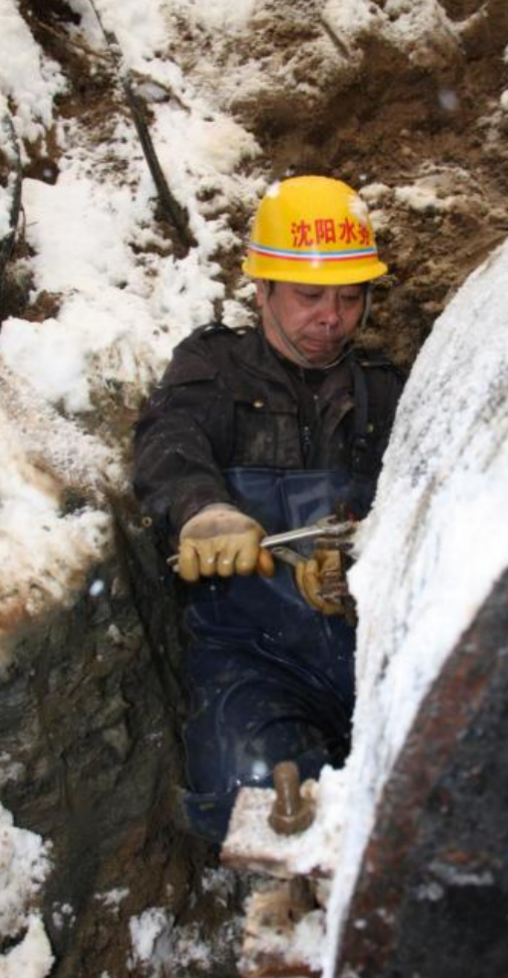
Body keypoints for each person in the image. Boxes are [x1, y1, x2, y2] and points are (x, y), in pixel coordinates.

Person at [133, 176, 404, 843]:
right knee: (251, 792)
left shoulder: (389, 394)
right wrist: (203, 509)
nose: (330, 318)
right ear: (261, 291)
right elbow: (169, 441)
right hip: (255, 656)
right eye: (310, 296)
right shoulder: (214, 375)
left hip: (378, 653)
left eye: (348, 298)